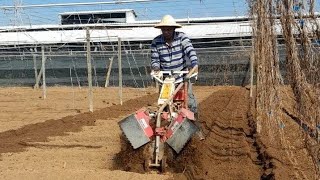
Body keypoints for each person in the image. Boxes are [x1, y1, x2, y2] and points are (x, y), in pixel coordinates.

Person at [151, 15, 204, 140]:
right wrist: (156, 69)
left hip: (182, 77)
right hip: (166, 80)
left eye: (169, 29)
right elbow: (154, 60)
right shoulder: (156, 42)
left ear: (174, 29)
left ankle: (196, 129)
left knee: (190, 102)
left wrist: (194, 64)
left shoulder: (182, 38)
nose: (166, 32)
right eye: (164, 29)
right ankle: (164, 130)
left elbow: (190, 51)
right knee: (164, 105)